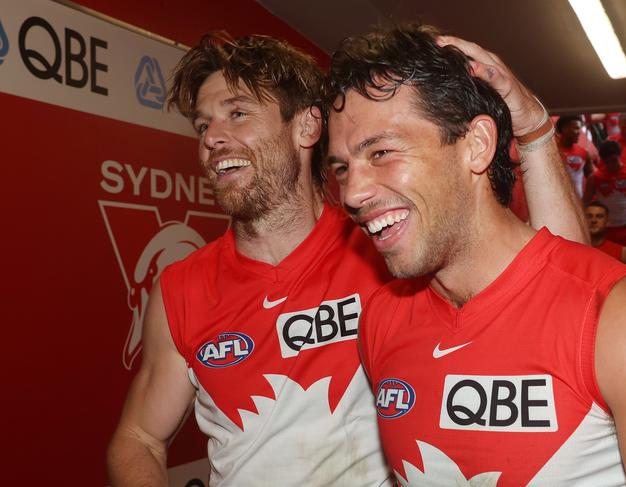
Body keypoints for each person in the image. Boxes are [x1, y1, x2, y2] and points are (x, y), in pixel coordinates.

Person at [107, 31, 587, 486]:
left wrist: (535, 132)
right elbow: (138, 438)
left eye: (237, 114)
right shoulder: (181, 288)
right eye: (203, 124)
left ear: (308, 125)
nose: (212, 138)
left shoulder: (391, 245)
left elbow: (563, 293)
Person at [325, 23, 626, 486]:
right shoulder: (380, 319)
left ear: (476, 145)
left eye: (380, 152)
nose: (352, 193)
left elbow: (562, 292)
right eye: (342, 167)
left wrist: (535, 127)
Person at [584, 140, 626, 247]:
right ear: (602, 160)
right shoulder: (594, 178)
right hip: (604, 232)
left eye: (614, 160)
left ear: (620, 156)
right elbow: (584, 204)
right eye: (607, 162)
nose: (611, 165)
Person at [555, 115, 592, 197]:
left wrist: (587, 199)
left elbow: (592, 178)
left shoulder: (584, 153)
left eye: (580, 128)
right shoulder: (552, 152)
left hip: (578, 203)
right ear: (564, 129)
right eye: (576, 128)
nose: (579, 132)